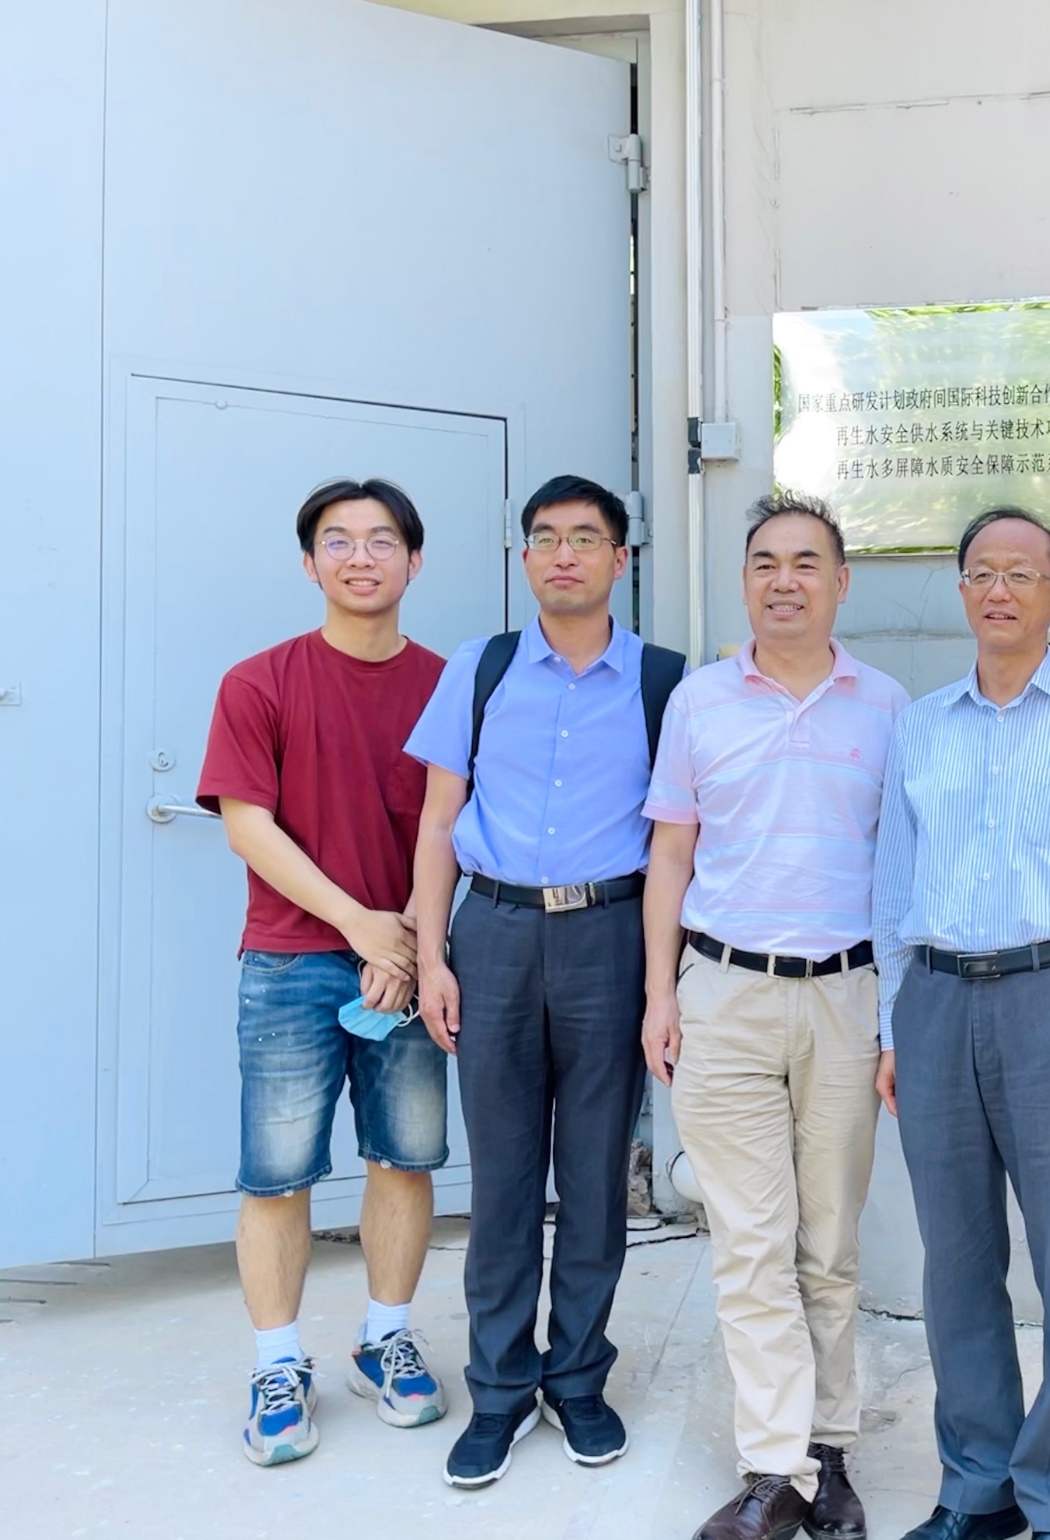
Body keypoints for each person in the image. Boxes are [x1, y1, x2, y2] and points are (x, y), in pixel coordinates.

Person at [873, 507, 1050, 1540]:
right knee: (955, 1264)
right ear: (961, 591)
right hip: (935, 1002)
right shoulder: (920, 725)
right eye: (981, 572)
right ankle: (978, 1487)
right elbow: (891, 890)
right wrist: (892, 1028)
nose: (999, 590)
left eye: (1021, 574)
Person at [406, 474, 684, 1489]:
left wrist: (662, 984)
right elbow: (439, 819)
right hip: (495, 933)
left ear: (620, 558)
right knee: (504, 1177)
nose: (565, 554)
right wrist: (432, 955)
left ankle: (576, 1379)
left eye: (585, 538)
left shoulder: (664, 681)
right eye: (546, 538)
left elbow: (676, 842)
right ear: (525, 557)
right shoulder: (478, 670)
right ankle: (497, 1390)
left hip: (610, 934)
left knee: (598, 1174)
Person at [642, 493, 909, 1540]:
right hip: (725, 993)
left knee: (828, 1245)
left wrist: (897, 1021)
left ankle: (828, 1451)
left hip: (848, 995)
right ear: (744, 579)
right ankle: (772, 1465)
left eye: (806, 562)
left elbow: (906, 873)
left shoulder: (887, 707)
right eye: (764, 562)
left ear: (840, 583)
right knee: (749, 1244)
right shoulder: (700, 702)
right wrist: (660, 994)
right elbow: (671, 852)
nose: (784, 580)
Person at [198, 477, 450, 1466]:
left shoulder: (448, 687)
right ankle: (277, 1364)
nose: (360, 557)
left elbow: (457, 829)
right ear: (310, 564)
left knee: (405, 1158)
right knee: (276, 1174)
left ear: (413, 561)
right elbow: (246, 825)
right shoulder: (259, 681)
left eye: (381, 540)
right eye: (337, 541)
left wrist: (412, 942)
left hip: (411, 961)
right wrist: (361, 927)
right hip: (291, 960)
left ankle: (386, 1339)